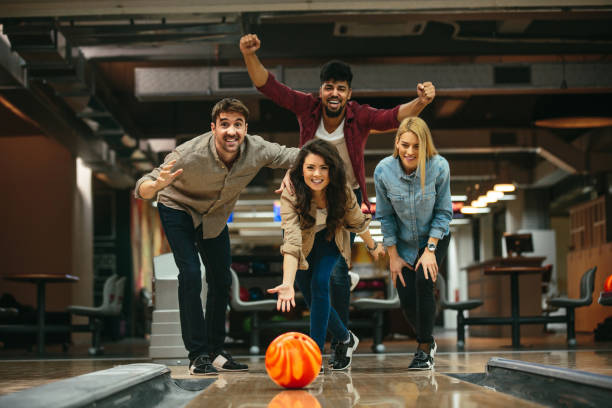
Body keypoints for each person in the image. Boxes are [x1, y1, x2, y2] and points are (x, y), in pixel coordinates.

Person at [240, 33, 436, 359]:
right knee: (308, 277)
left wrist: (422, 103)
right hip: (307, 193)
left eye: (341, 88)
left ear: (349, 93)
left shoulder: (359, 116)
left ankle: (335, 346)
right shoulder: (307, 107)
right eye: (329, 86)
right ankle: (343, 331)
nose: (334, 93)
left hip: (347, 197)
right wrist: (249, 55)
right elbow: (270, 87)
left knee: (331, 278)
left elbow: (392, 117)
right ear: (321, 90)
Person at [135, 98, 300, 376]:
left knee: (221, 278)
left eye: (238, 124)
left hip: (214, 216)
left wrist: (293, 172)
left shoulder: (258, 148)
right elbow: (142, 187)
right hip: (178, 208)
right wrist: (156, 185)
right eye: (224, 124)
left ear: (246, 128)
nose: (231, 131)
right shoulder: (187, 153)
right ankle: (198, 355)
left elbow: (298, 155)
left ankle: (216, 352)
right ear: (213, 128)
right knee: (189, 273)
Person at [268, 139, 385, 371]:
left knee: (320, 283)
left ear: (332, 169)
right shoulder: (291, 193)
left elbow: (357, 223)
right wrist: (287, 283)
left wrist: (373, 246)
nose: (317, 174)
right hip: (303, 242)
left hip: (332, 238)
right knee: (313, 298)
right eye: (310, 167)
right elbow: (291, 241)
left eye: (323, 168)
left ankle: (315, 354)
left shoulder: (342, 192)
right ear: (301, 169)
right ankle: (345, 337)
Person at [373, 117, 452, 370]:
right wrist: (393, 257)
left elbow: (444, 212)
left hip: (434, 236)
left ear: (425, 145)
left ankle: (424, 347)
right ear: (396, 143)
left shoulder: (439, 167)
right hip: (403, 241)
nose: (410, 151)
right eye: (405, 144)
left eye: (416, 146)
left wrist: (429, 250)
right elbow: (385, 216)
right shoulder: (383, 171)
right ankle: (425, 334)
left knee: (423, 281)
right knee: (406, 299)